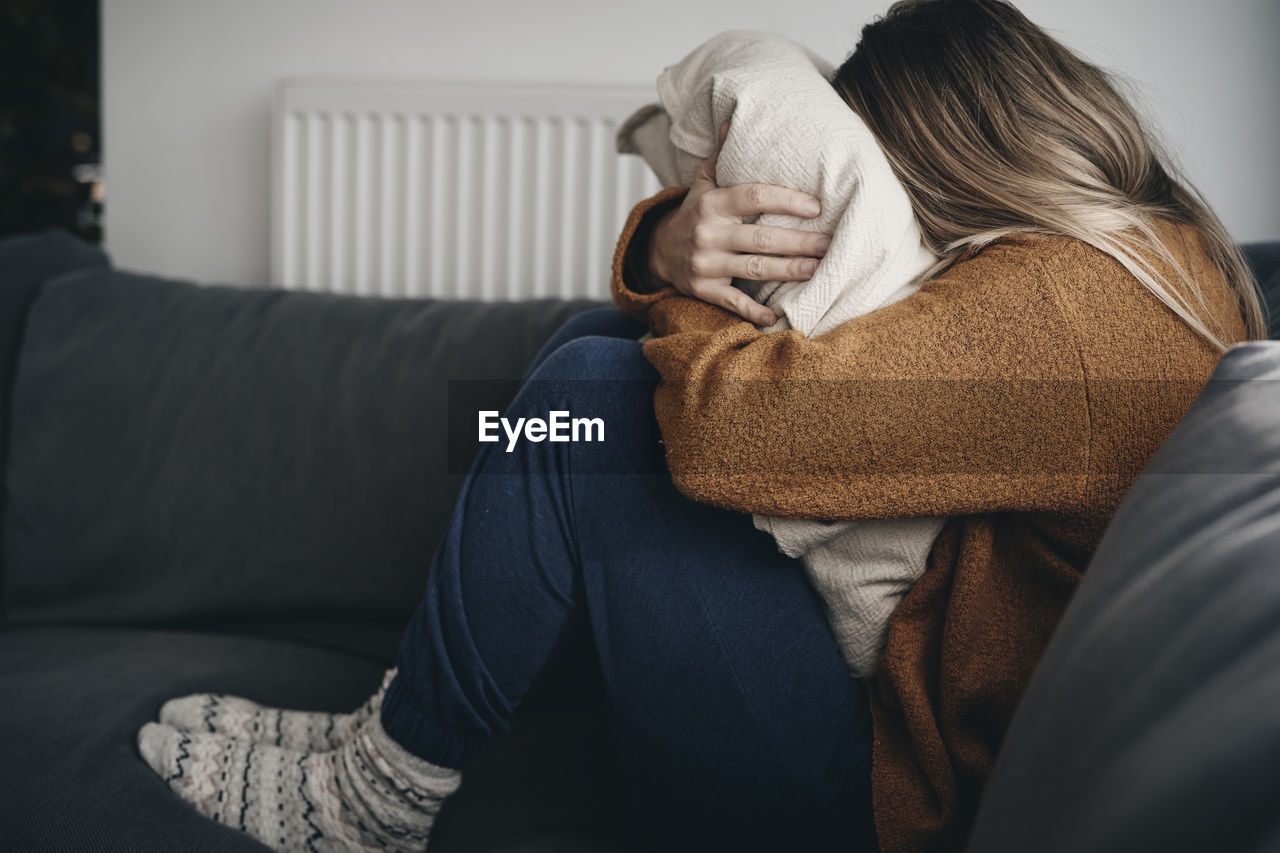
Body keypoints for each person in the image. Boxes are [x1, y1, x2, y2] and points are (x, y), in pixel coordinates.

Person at [134, 2, 1264, 852]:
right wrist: (667, 243)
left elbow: (734, 436)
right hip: (887, 739)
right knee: (594, 353)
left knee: (590, 394)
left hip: (882, 809)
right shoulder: (1150, 263)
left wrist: (672, 268)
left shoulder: (1064, 313)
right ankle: (402, 724)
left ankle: (377, 796)